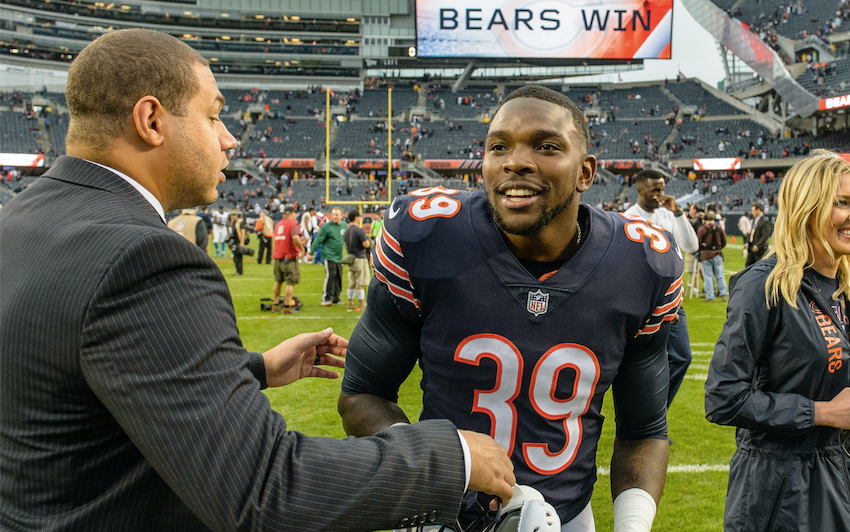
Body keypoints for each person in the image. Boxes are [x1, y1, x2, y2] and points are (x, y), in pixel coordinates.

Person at [0, 29, 514, 532]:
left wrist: (251, 370)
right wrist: (451, 457)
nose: (229, 138)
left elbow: (71, 374)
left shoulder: (24, 218)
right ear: (151, 120)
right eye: (214, 114)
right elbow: (265, 489)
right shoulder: (144, 256)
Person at [338, 85, 682, 532]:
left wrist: (632, 527)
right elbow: (362, 394)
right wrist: (446, 467)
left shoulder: (641, 263)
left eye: (546, 146)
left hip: (568, 516)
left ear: (585, 172)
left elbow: (644, 430)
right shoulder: (427, 236)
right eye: (498, 146)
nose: (515, 161)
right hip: (441, 513)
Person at [705, 151, 850, 531]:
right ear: (807, 208)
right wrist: (822, 412)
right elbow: (723, 398)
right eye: (842, 203)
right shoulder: (762, 286)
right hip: (784, 491)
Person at [624, 169, 699, 408]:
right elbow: (630, 271)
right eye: (655, 189)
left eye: (662, 188)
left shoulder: (669, 215)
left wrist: (678, 212)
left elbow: (692, 245)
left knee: (682, 357)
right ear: (640, 190)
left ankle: (656, 414)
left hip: (674, 303)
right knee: (638, 364)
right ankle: (644, 422)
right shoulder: (628, 219)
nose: (660, 194)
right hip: (644, 307)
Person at [310, 206, 346, 306]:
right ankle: (326, 298)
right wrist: (311, 252)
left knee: (338, 276)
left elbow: (346, 240)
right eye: (333, 214)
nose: (335, 216)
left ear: (341, 216)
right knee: (331, 275)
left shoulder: (344, 226)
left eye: (337, 215)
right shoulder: (326, 227)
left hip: (339, 256)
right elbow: (318, 240)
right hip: (329, 255)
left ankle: (336, 297)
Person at [273, 206, 304, 313]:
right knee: (290, 282)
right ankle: (287, 306)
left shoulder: (278, 224)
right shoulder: (293, 224)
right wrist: (301, 249)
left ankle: (276, 304)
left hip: (278, 257)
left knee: (278, 281)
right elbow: (295, 238)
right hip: (289, 257)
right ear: (292, 213)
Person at [697, 208, 728, 302]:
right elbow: (724, 241)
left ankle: (710, 295)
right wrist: (719, 248)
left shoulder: (702, 229)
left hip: (706, 254)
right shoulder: (719, 228)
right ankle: (723, 294)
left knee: (708, 276)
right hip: (718, 254)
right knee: (720, 275)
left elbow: (698, 242)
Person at [344, 210, 372, 311]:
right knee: (360, 282)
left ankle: (350, 303)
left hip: (350, 258)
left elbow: (346, 245)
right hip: (359, 258)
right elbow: (366, 244)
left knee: (351, 282)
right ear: (356, 218)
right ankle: (362, 303)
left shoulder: (347, 230)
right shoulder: (359, 230)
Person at [745, 201, 772, 267]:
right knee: (748, 266)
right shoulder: (754, 220)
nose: (752, 212)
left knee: (759, 267)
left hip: (760, 250)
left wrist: (758, 245)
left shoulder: (765, 222)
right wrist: (747, 243)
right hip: (752, 247)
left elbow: (765, 235)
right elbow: (752, 233)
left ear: (758, 210)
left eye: (753, 211)